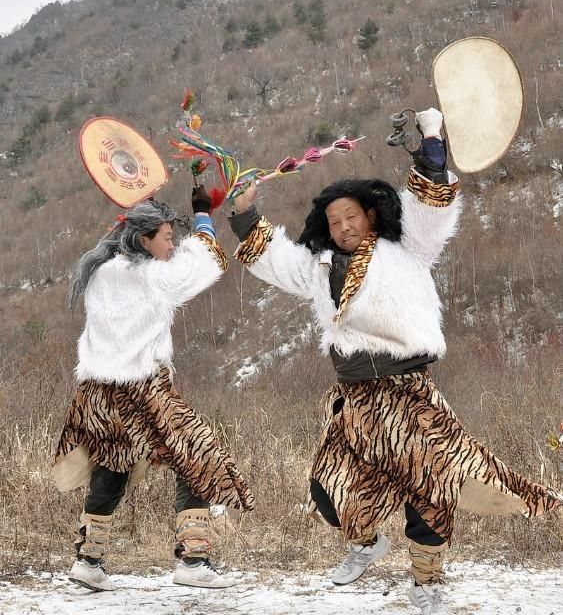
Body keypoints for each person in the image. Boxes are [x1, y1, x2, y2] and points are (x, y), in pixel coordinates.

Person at [228, 108, 562, 614]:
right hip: (355, 401)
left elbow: (431, 206)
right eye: (334, 221)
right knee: (327, 488)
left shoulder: (408, 248)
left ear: (372, 217)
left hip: (408, 394)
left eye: (352, 217)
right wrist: (245, 212)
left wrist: (432, 141)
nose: (342, 227)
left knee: (429, 486)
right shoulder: (318, 267)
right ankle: (364, 543)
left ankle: (427, 581)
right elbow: (272, 258)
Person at [53, 187, 254, 592]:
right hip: (142, 388)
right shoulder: (152, 277)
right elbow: (208, 264)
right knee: (196, 456)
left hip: (95, 393)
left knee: (113, 466)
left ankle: (89, 562)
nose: (172, 245)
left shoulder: (101, 270)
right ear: (143, 241)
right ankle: (193, 560)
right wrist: (201, 215)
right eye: (166, 238)